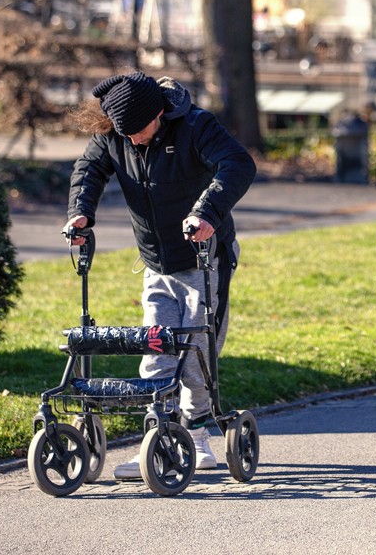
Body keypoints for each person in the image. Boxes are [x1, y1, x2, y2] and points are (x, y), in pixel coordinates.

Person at [64, 71, 257, 480]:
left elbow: (238, 163)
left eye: (138, 130)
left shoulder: (195, 126)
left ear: (159, 114)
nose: (131, 139)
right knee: (157, 350)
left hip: (205, 258)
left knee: (197, 350)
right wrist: (81, 212)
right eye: (124, 132)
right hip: (156, 262)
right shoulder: (116, 132)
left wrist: (207, 211)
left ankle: (198, 433)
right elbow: (89, 170)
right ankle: (157, 438)